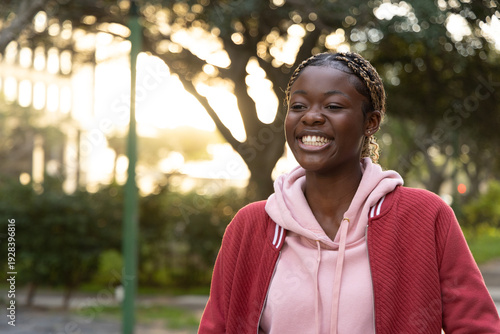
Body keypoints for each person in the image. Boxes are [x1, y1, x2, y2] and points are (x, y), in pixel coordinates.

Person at [198, 52, 500, 333]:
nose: (311, 117)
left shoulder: (424, 216)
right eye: (299, 106)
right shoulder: (251, 226)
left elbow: (478, 326)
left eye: (333, 106)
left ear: (371, 122)